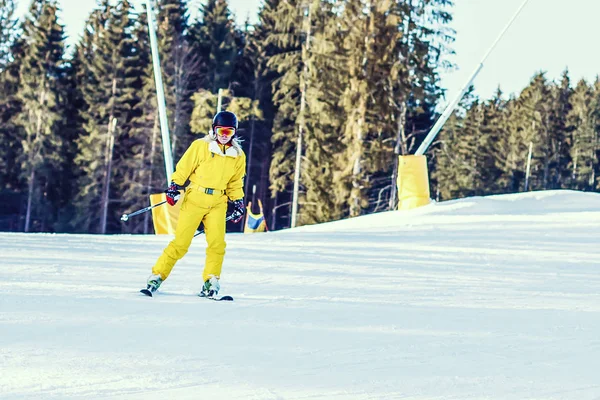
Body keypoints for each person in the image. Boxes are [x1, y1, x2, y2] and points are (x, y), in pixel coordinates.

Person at [145, 111, 246, 297]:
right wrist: (174, 186)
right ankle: (157, 276)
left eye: (229, 132)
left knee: (217, 244)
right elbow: (184, 168)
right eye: (221, 131)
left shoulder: (238, 155)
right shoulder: (201, 147)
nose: (225, 135)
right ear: (214, 130)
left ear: (234, 133)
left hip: (218, 202)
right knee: (181, 243)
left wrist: (238, 202)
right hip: (195, 198)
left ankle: (211, 280)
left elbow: (235, 183)